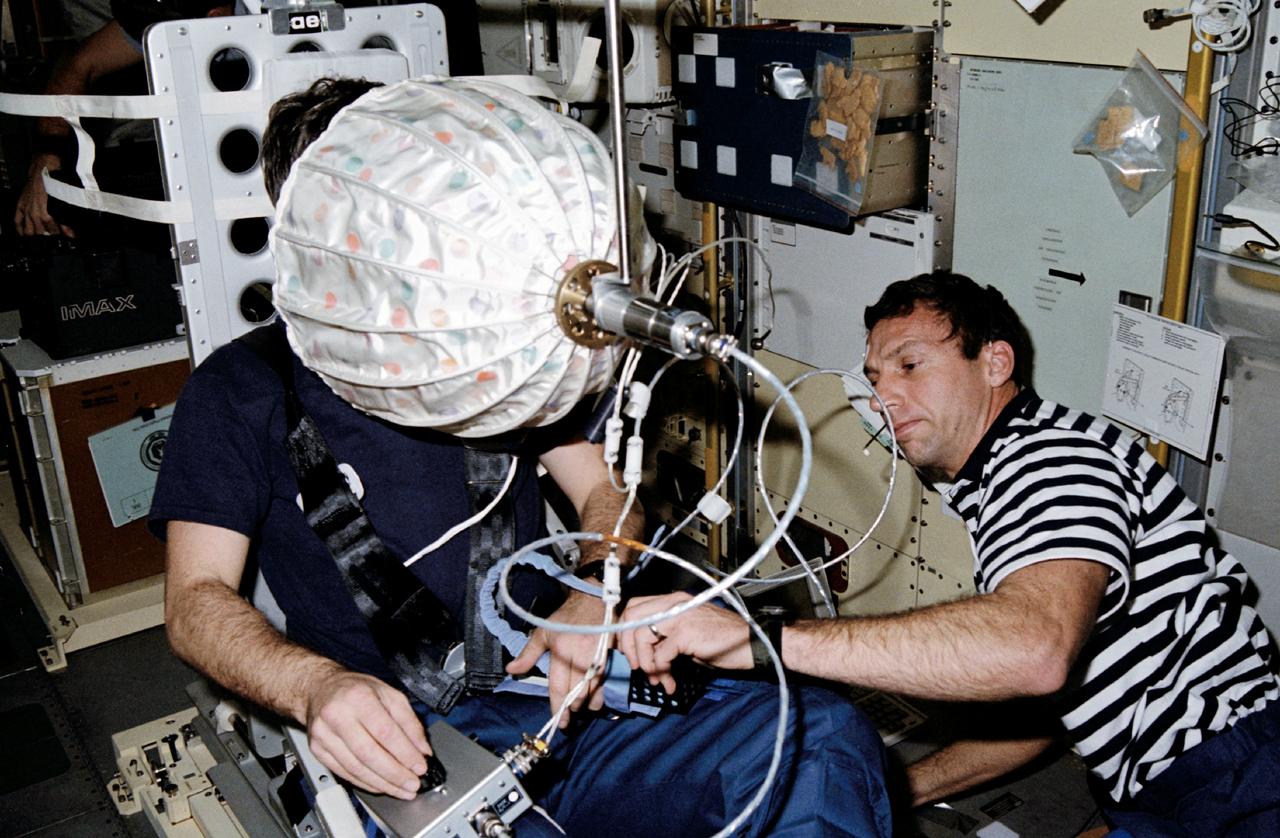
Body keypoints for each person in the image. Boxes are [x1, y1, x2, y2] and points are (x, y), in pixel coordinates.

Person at [150, 76, 891, 836]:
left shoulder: (499, 346)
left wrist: (590, 589)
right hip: (404, 739)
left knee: (816, 743)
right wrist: (315, 688)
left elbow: (609, 496)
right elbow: (196, 603)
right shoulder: (239, 391)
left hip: (565, 689)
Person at [620, 270, 1280, 836]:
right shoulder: (1001, 480)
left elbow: (1035, 650)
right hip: (1166, 789)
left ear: (995, 363)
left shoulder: (1052, 460)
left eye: (911, 364)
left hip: (1239, 777)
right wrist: (900, 786)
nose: (885, 395)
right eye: (875, 376)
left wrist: (755, 641)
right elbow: (1047, 705)